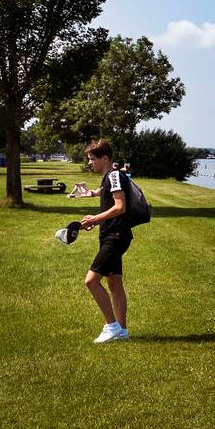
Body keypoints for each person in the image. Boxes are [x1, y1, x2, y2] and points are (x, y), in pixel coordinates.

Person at [80, 139, 132, 343]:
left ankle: (111, 326)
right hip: (111, 234)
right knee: (114, 283)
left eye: (92, 159)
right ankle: (123, 330)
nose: (89, 163)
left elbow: (120, 207)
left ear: (105, 158)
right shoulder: (109, 177)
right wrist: (91, 194)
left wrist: (95, 218)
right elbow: (109, 195)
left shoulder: (114, 175)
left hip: (116, 236)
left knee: (91, 281)